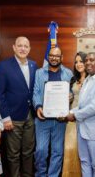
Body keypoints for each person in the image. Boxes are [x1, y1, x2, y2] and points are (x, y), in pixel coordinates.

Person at [0, 36, 38, 177]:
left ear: (29, 49)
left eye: (26, 46)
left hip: (30, 116)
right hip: (12, 117)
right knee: (13, 153)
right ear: (14, 47)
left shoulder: (33, 65)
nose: (23, 48)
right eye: (20, 45)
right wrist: (5, 117)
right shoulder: (3, 66)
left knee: (28, 151)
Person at [66, 52, 95, 177]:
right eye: (86, 60)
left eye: (92, 60)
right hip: (82, 129)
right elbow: (82, 105)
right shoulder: (87, 79)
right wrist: (69, 112)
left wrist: (74, 116)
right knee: (84, 162)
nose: (88, 62)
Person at [33, 47, 73, 177]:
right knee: (41, 150)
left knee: (57, 151)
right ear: (48, 57)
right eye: (51, 55)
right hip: (42, 119)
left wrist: (71, 96)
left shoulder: (68, 73)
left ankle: (53, 175)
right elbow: (36, 92)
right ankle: (41, 174)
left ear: (61, 58)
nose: (54, 58)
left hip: (60, 120)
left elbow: (73, 91)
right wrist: (38, 106)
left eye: (57, 56)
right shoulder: (39, 72)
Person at [62, 51, 87, 177]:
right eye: (76, 62)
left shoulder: (91, 79)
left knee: (82, 154)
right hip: (71, 119)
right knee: (70, 150)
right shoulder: (73, 79)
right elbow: (71, 98)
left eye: (81, 61)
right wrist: (69, 98)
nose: (78, 64)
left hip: (85, 119)